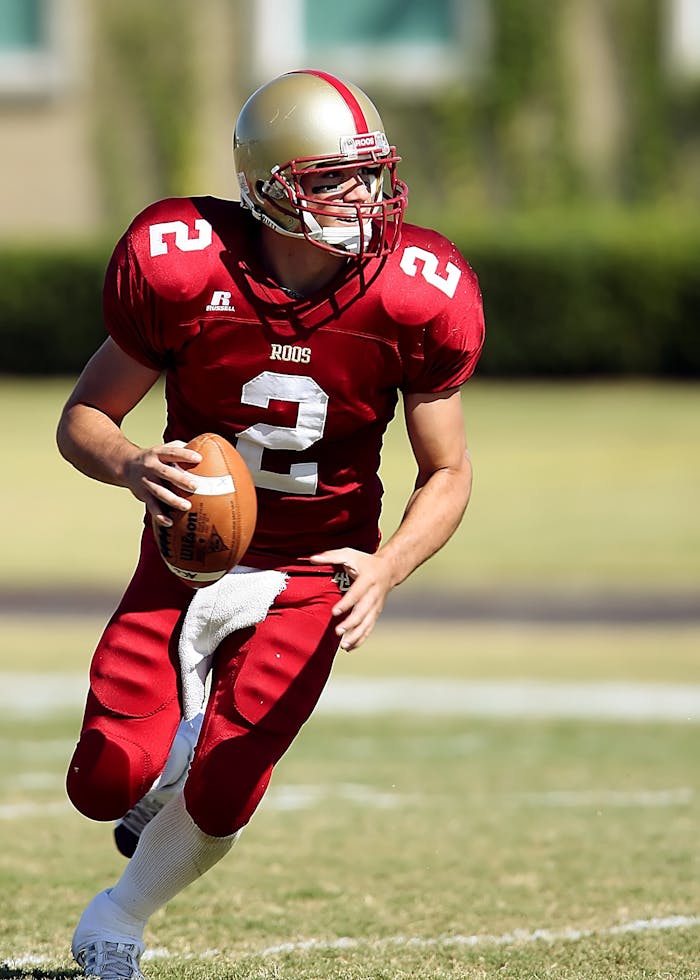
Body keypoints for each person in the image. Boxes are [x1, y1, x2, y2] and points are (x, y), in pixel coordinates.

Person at [57, 67, 485, 980]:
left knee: (224, 785)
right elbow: (83, 421)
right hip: (192, 552)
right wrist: (134, 465)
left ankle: (119, 919)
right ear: (268, 185)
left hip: (317, 568)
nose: (363, 199)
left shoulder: (415, 292)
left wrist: (386, 569)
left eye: (371, 175)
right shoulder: (184, 263)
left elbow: (447, 471)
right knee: (103, 783)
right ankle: (172, 729)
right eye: (333, 178)